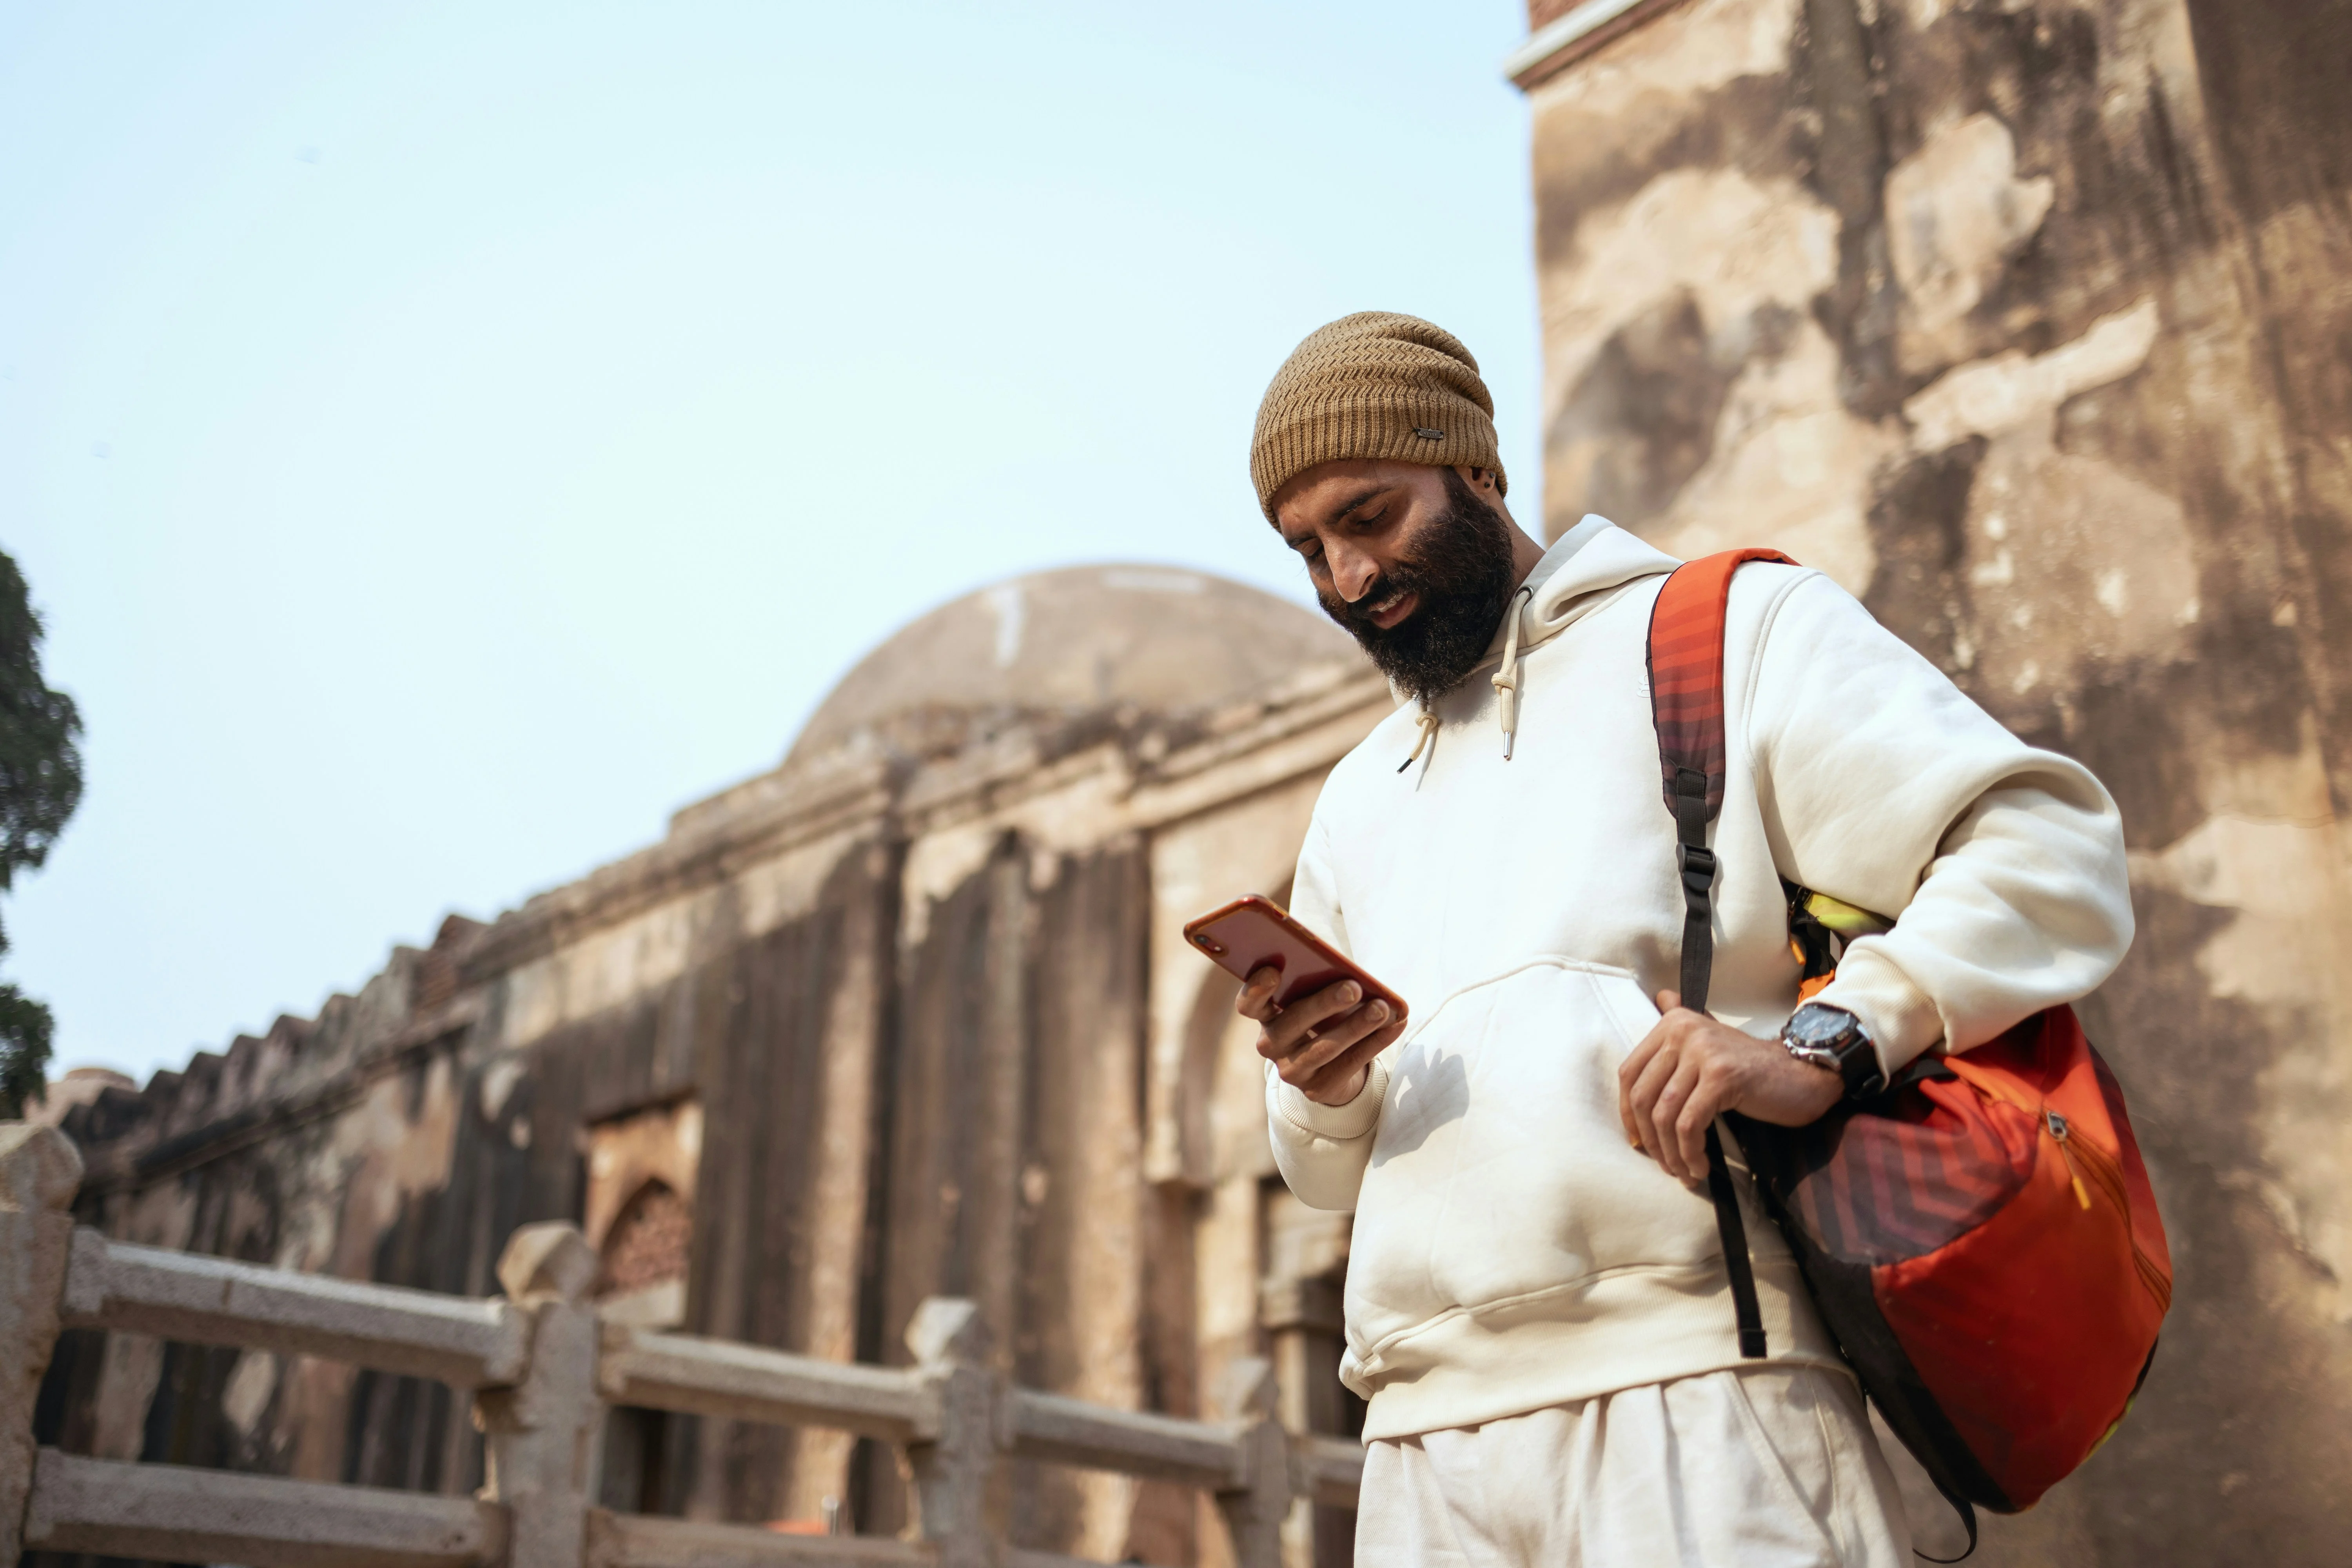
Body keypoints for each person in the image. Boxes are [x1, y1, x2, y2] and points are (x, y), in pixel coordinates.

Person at [1238, 313, 2133, 1565]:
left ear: (1476, 472)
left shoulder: (1726, 633)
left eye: (1371, 516)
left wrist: (1827, 1041)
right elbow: (1329, 1171)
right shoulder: (1358, 796)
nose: (1348, 578)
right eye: (1309, 550)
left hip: (1706, 1390)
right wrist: (1323, 1089)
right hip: (1421, 1443)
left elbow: (2047, 849)